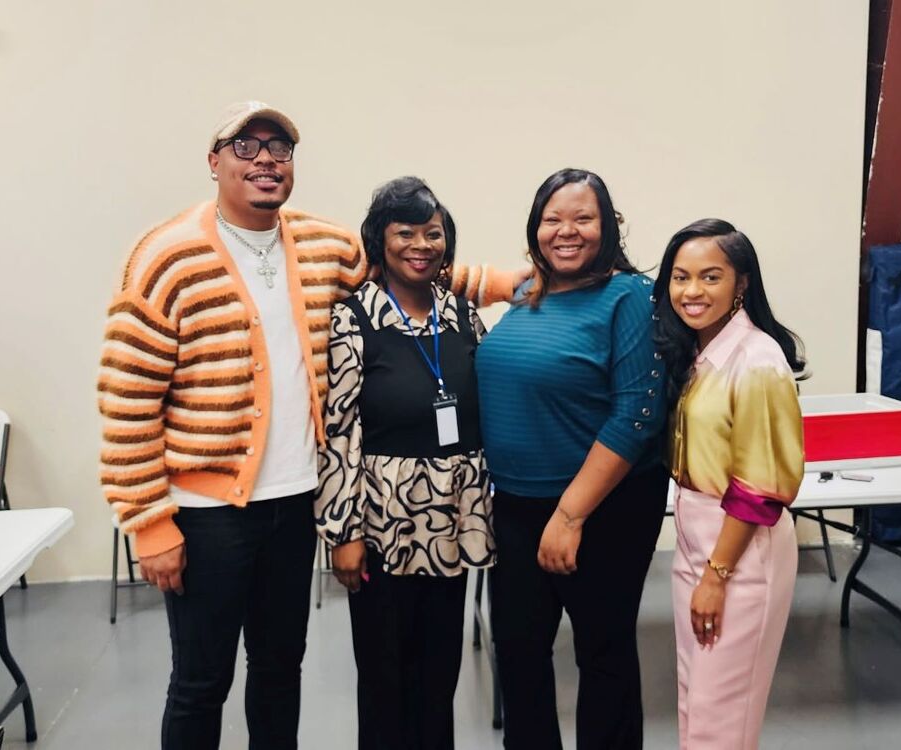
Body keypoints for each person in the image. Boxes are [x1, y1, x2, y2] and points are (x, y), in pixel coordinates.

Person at [97, 103, 516, 750]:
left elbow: (406, 261)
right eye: (246, 146)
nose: (266, 159)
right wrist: (149, 524)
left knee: (277, 669)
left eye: (280, 149)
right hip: (208, 514)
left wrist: (501, 282)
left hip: (295, 506)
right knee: (201, 682)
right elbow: (126, 401)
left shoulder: (323, 244)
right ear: (214, 162)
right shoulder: (165, 256)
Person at [475, 168, 669, 749]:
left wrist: (570, 516)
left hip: (603, 507)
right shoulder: (526, 290)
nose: (567, 231)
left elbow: (638, 414)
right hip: (514, 503)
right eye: (552, 219)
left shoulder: (629, 297)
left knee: (602, 651)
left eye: (583, 218)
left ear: (608, 227)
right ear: (534, 229)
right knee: (517, 650)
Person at [315, 176, 494, 750]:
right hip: (384, 522)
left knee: (440, 677)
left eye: (433, 232)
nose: (422, 244)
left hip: (454, 518)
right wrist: (342, 532)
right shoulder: (354, 319)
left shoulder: (464, 315)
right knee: (386, 678)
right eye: (406, 232)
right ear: (380, 240)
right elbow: (339, 430)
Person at [653, 218, 806, 750]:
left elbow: (760, 486)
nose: (691, 291)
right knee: (697, 703)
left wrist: (717, 576)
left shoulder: (758, 360)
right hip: (697, 532)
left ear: (741, 283)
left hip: (740, 547)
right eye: (680, 277)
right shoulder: (699, 352)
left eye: (710, 277)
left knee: (723, 718)